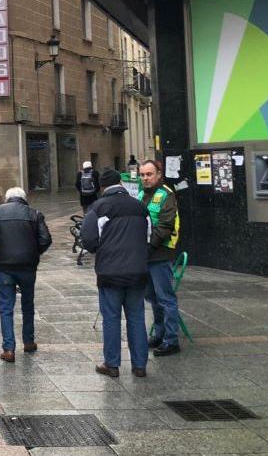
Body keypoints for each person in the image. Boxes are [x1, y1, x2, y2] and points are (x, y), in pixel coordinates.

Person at [79, 168, 151, 378]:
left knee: (111, 318)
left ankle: (112, 364)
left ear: (102, 187)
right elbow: (148, 236)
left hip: (110, 273)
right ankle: (140, 365)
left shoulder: (98, 207)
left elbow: (88, 239)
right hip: (137, 271)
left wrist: (102, 250)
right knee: (136, 317)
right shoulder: (140, 207)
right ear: (121, 182)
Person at [0, 186, 52, 363]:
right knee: (28, 304)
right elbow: (45, 239)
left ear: (7, 198)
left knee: (6, 307)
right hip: (28, 266)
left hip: (5, 266)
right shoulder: (34, 213)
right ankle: (28, 341)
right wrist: (34, 252)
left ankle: (8, 349)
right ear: (24, 198)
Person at [139, 159, 182, 357]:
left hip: (160, 254)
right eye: (142, 175)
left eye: (149, 174)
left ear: (158, 175)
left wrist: (148, 247)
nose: (145, 178)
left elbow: (165, 226)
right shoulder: (142, 195)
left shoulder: (166, 194)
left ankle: (171, 340)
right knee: (152, 298)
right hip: (146, 255)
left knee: (165, 298)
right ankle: (159, 333)